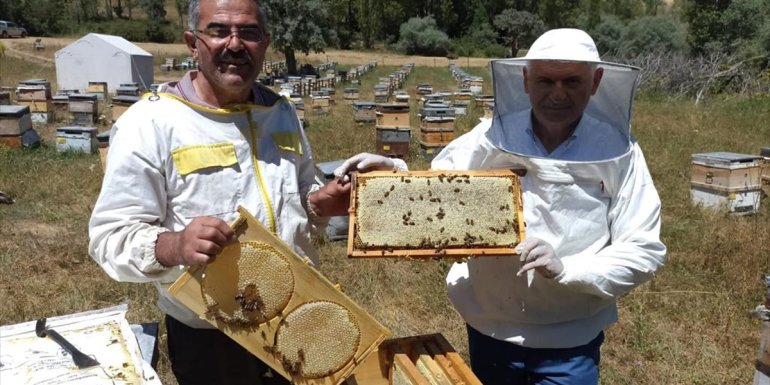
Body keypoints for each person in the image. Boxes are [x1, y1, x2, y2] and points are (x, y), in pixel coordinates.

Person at [88, 0, 402, 384]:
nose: (235, 44)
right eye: (219, 30)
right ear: (192, 42)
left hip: (299, 315)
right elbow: (110, 237)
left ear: (265, 44)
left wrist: (319, 202)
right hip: (213, 338)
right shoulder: (151, 123)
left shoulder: (281, 112)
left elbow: (299, 197)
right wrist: (176, 245)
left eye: (249, 33)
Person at [431, 28, 666, 385]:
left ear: (596, 81)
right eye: (545, 81)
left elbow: (644, 249)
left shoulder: (619, 151)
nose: (558, 93)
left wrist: (567, 268)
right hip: (490, 324)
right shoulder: (491, 135)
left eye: (572, 81)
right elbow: (434, 186)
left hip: (569, 338)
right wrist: (392, 170)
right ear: (525, 80)